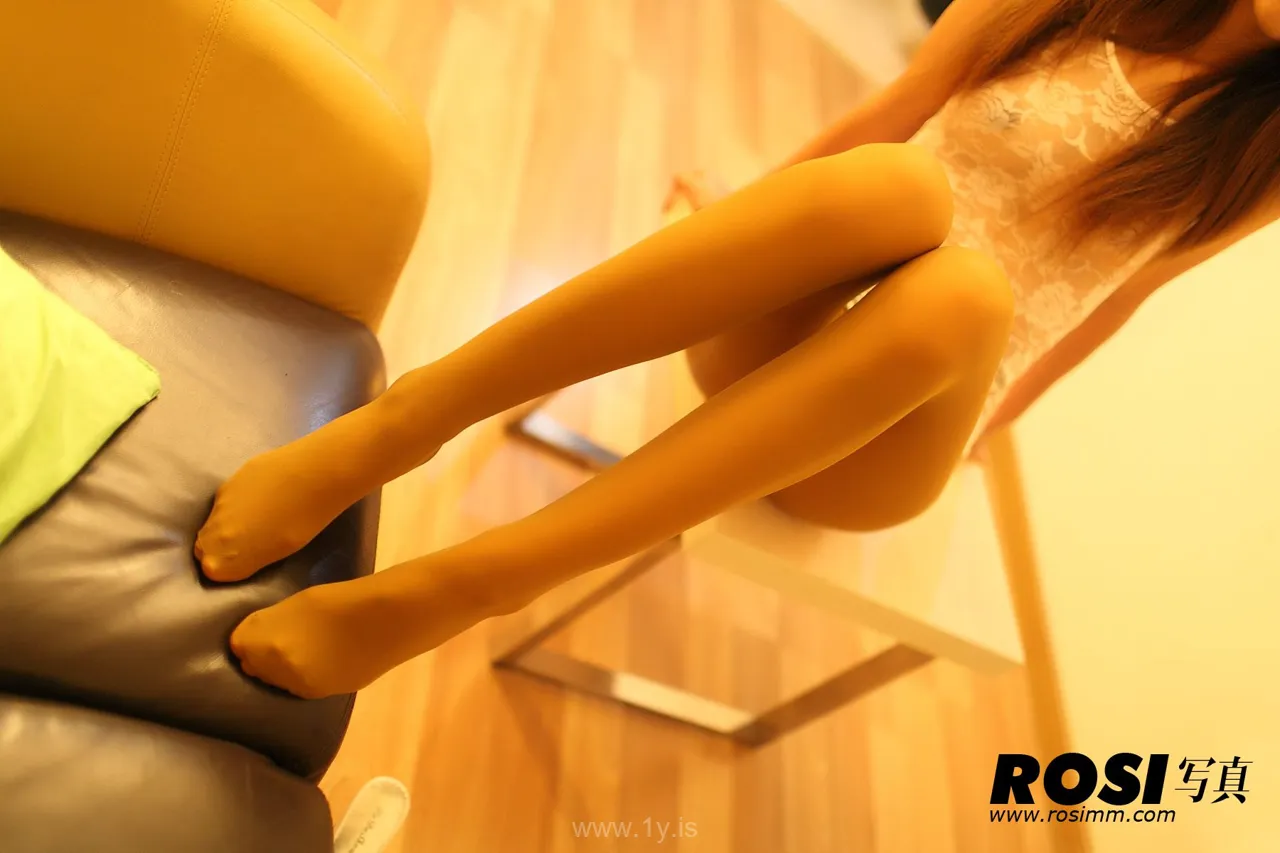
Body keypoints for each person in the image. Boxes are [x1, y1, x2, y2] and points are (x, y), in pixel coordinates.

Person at [194, 0, 1280, 700]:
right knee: (903, 182)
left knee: (961, 292)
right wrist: (743, 215)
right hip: (790, 322)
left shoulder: (1265, 154)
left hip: (892, 430)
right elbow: (890, 113)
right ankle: (396, 424)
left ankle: (466, 584)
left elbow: (1115, 303)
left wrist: (989, 427)